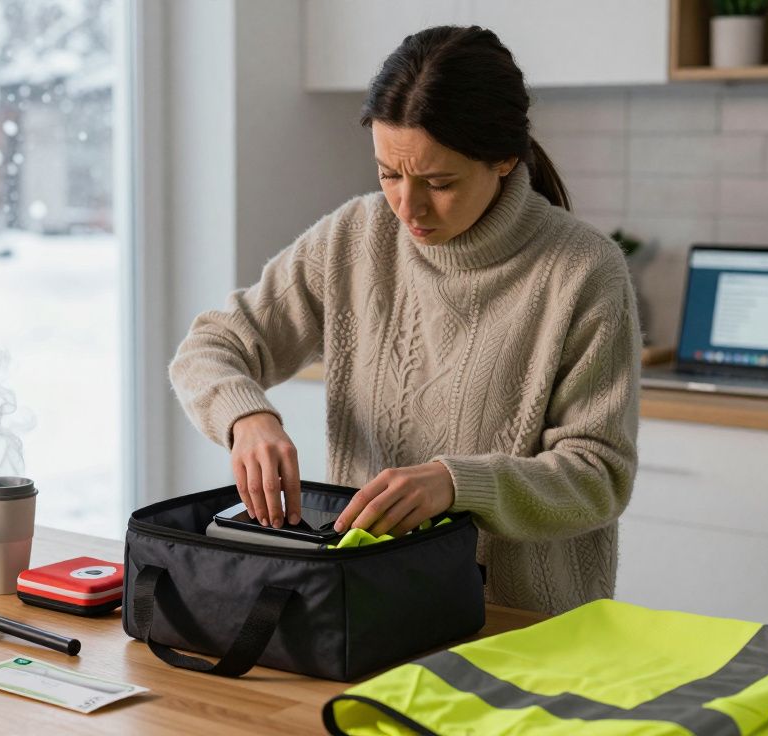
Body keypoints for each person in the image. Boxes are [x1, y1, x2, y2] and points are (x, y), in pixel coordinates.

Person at [168, 26, 640, 615]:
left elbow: (598, 477)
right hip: (371, 607)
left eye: (438, 183)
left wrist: (456, 483)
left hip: (524, 622)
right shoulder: (352, 238)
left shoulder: (583, 270)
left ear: (503, 159)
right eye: (389, 174)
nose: (407, 208)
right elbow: (210, 345)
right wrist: (247, 417)